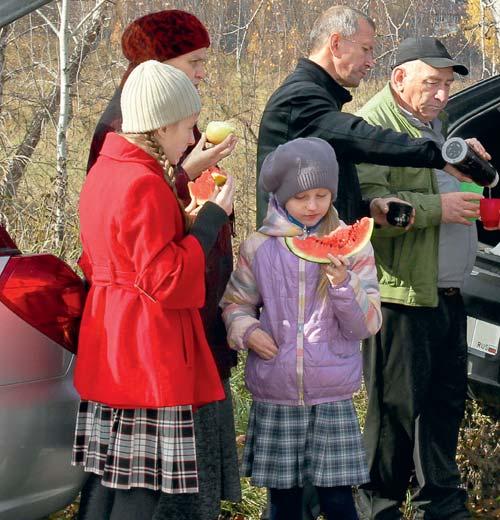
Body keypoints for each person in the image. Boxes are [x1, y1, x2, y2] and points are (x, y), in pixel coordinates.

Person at [85, 11, 242, 519]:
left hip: (112, 336)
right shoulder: (143, 181)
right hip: (147, 351)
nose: (187, 142)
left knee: (114, 484)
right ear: (162, 123)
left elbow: (114, 253)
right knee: (144, 493)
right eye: (183, 129)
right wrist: (211, 218)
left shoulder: (112, 166)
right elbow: (166, 278)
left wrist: (182, 209)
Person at [356, 37, 488, 519]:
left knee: (443, 407)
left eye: (448, 85)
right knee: (393, 417)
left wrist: (467, 167)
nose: (441, 94)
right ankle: (379, 508)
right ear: (398, 79)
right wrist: (441, 208)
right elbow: (371, 215)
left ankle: (443, 507)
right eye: (431, 82)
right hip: (401, 298)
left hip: (447, 294)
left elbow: (446, 183)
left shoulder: (433, 125)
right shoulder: (373, 127)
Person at [221, 137, 383, 520]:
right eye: (302, 197)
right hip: (276, 392)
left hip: (333, 396)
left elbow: (368, 324)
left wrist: (344, 285)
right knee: (284, 503)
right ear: (281, 197)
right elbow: (235, 303)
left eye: (322, 195)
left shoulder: (353, 247)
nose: (313, 206)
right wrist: (247, 331)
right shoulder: (258, 246)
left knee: (339, 501)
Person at [256, 5, 475, 229]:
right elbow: (359, 137)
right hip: (289, 256)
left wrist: (368, 209)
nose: (371, 61)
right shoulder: (299, 98)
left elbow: (320, 187)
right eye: (365, 49)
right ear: (336, 44)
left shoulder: (318, 97)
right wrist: (438, 156)